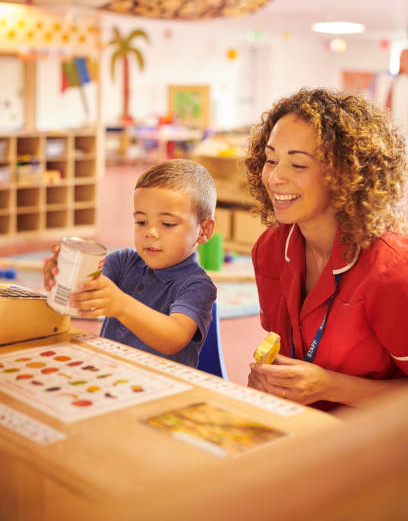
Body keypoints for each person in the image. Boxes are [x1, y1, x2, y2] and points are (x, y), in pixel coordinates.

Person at [245, 87, 408, 410]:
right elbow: (284, 350)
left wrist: (332, 387)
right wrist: (271, 380)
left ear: (345, 174)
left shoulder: (392, 271)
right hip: (301, 432)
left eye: (298, 165)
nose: (275, 177)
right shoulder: (270, 248)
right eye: (271, 159)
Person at [44, 159, 217, 368]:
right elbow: (85, 291)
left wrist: (121, 305)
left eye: (168, 224)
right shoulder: (123, 261)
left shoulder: (197, 285)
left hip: (161, 389)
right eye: (141, 222)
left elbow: (175, 337)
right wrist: (63, 272)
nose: (150, 232)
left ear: (204, 230)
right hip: (110, 376)